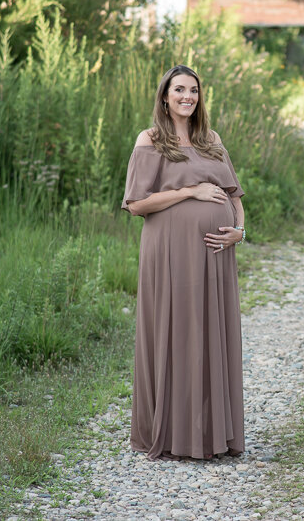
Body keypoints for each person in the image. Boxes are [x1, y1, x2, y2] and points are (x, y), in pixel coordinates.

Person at [121, 65, 246, 460]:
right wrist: (190, 191)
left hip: (214, 256)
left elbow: (234, 195)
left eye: (193, 90)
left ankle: (212, 435)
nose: (187, 97)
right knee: (176, 332)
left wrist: (240, 231)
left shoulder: (211, 139)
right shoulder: (151, 140)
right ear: (164, 95)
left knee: (210, 334)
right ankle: (176, 434)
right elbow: (137, 204)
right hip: (170, 253)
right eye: (179, 90)